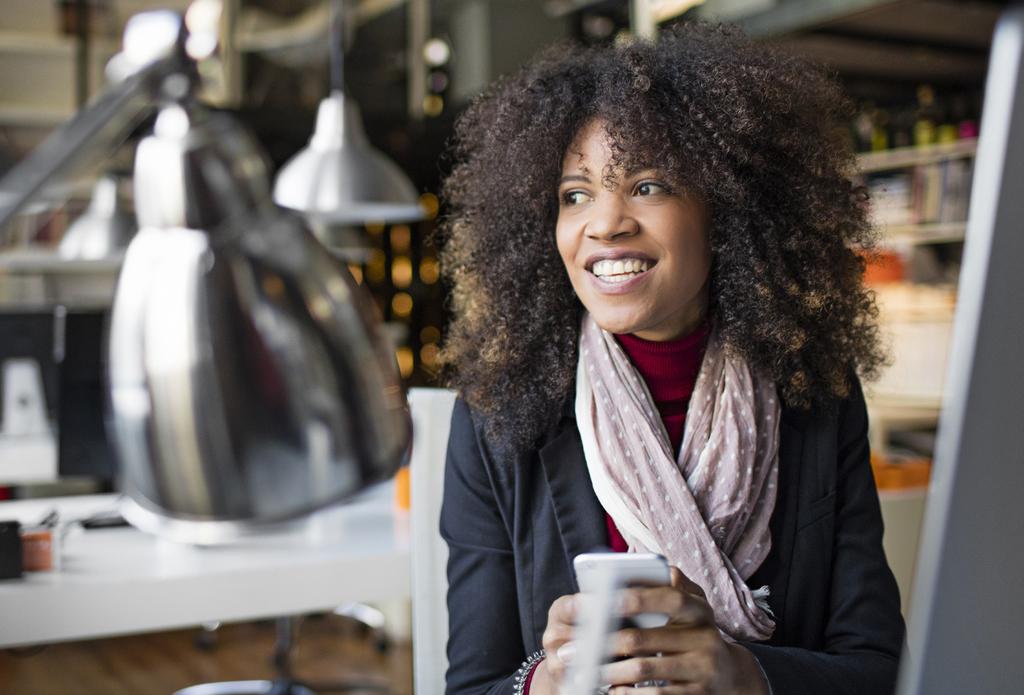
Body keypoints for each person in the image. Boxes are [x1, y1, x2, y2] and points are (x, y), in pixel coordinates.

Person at [437, 21, 904, 695]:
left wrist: (747, 674)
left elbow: (878, 671)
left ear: (726, 209)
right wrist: (544, 683)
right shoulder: (496, 419)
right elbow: (472, 685)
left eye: (648, 185)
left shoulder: (817, 397)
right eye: (576, 194)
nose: (605, 223)